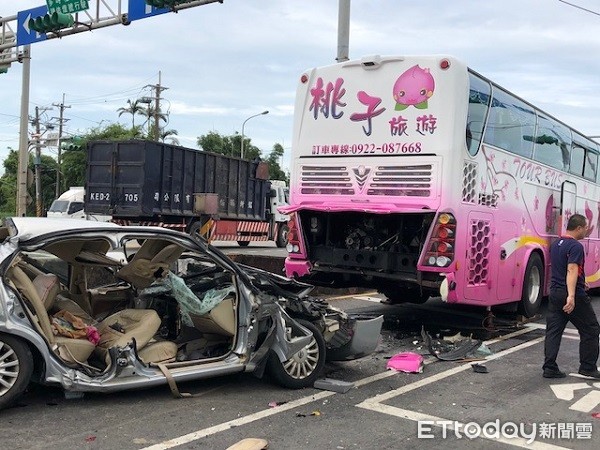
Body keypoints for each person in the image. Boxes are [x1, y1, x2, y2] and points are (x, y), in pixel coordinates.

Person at [543, 213, 600, 379]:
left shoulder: (556, 244)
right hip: (570, 294)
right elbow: (572, 269)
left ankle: (549, 367)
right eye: (586, 228)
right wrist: (572, 296)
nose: (587, 231)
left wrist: (583, 281)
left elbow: (563, 269)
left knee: (554, 330)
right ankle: (588, 367)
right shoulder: (575, 246)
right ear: (579, 228)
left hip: (554, 292)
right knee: (591, 328)